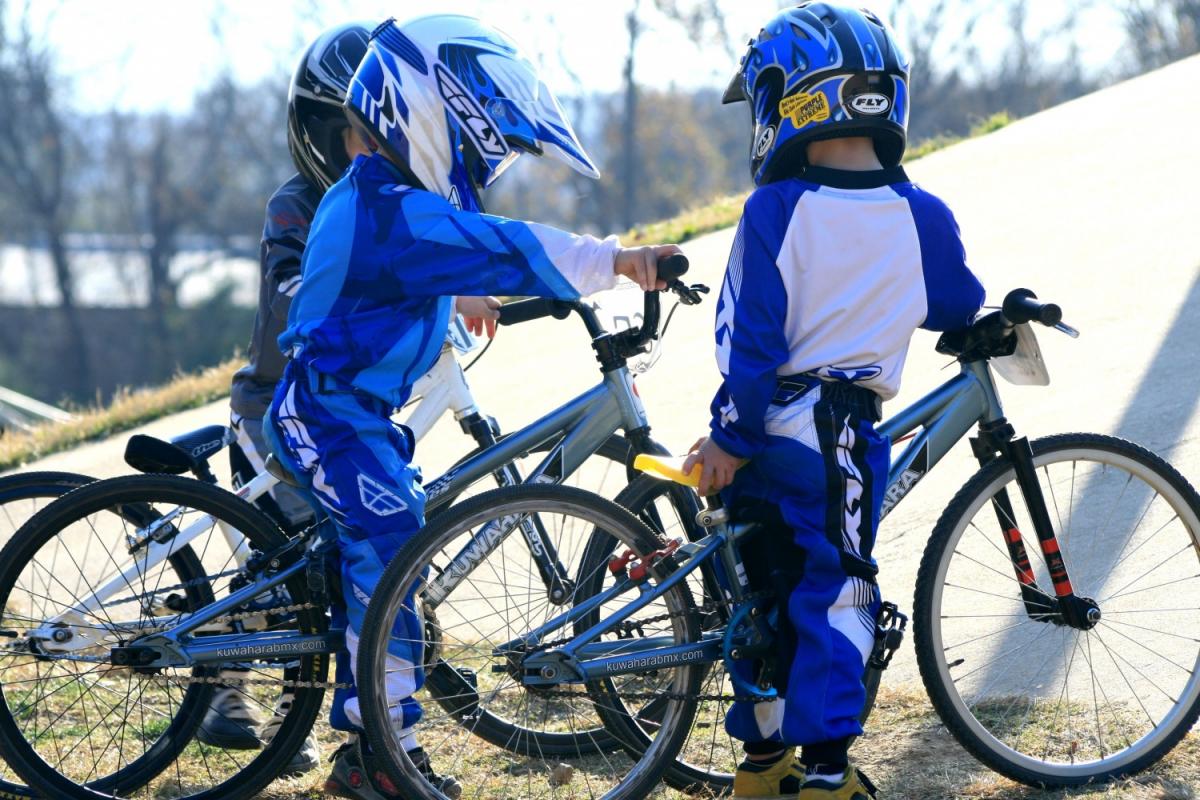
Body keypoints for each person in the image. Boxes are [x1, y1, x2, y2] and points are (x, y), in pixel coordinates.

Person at [263, 15, 681, 800]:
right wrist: (617, 260)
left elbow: (460, 245)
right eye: (473, 139)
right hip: (325, 414)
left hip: (356, 414)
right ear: (423, 118)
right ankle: (377, 756)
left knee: (385, 550)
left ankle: (367, 723)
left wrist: (466, 284)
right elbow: (505, 242)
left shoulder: (387, 199)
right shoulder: (387, 208)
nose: (481, 158)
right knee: (393, 546)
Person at [682, 4, 985, 798]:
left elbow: (750, 348)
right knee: (839, 587)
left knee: (768, 593)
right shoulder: (921, 214)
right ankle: (825, 775)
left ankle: (763, 761)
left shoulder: (774, 211)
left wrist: (732, 435)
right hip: (834, 434)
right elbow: (958, 303)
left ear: (787, 100)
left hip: (762, 428)